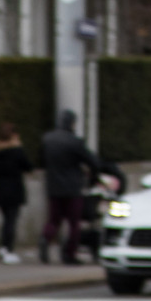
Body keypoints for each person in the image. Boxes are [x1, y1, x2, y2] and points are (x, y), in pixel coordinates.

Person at [38, 110, 102, 265]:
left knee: (54, 219)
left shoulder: (47, 139)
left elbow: (40, 160)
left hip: (53, 187)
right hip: (72, 188)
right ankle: (69, 253)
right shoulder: (75, 142)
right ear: (72, 123)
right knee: (74, 223)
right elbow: (93, 162)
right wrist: (93, 177)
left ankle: (45, 239)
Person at [0, 123, 32, 263]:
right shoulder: (16, 151)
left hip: (0, 189)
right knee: (11, 221)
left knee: (6, 220)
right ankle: (9, 249)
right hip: (14, 189)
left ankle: (3, 247)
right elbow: (28, 166)